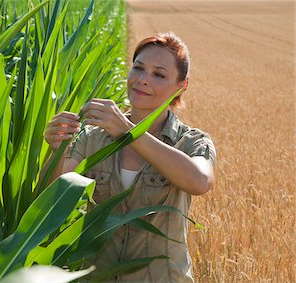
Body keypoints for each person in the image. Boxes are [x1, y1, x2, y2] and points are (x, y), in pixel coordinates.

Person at [44, 32, 216, 282]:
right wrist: (56, 149)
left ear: (181, 86)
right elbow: (54, 198)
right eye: (138, 68)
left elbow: (199, 181)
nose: (143, 80)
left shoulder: (191, 142)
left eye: (159, 74)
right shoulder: (93, 137)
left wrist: (128, 131)